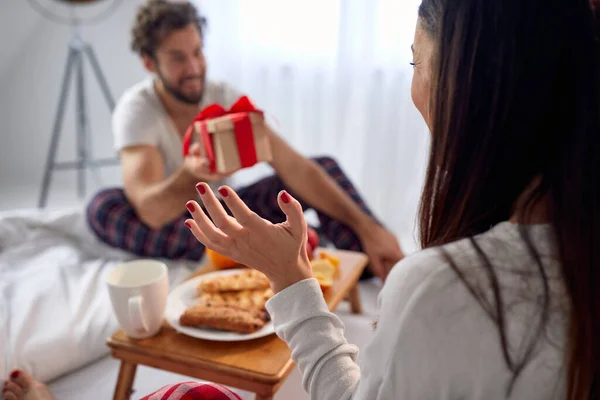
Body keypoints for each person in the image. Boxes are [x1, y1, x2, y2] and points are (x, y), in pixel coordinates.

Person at [85, 0, 402, 281]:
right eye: (178, 58)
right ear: (149, 63)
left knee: (323, 169)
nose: (194, 68)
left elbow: (296, 168)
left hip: (226, 211)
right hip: (176, 221)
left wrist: (366, 226)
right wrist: (189, 176)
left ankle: (375, 257)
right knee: (103, 207)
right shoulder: (138, 110)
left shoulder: (223, 98)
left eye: (197, 53)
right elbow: (151, 211)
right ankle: (257, 246)